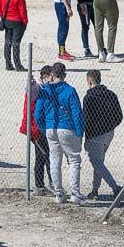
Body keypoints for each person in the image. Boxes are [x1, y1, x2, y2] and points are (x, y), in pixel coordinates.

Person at [35, 63, 84, 206]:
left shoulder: (45, 91)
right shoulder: (69, 90)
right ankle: (75, 193)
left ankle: (58, 193)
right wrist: (79, 132)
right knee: (74, 160)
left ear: (52, 74)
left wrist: (45, 129)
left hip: (51, 128)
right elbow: (76, 113)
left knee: (55, 160)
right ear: (65, 75)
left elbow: (38, 114)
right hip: (67, 127)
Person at [81, 69, 122, 201]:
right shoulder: (111, 94)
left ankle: (115, 188)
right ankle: (95, 190)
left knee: (97, 162)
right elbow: (119, 116)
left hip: (95, 135)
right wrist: (110, 126)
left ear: (90, 81)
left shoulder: (89, 98)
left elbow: (86, 119)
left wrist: (87, 134)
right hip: (109, 133)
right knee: (99, 162)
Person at [19, 66, 54, 196]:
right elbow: (29, 91)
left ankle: (40, 186)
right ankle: (46, 186)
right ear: (44, 76)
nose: (50, 80)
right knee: (45, 156)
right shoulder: (37, 88)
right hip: (35, 129)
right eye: (49, 77)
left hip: (38, 128)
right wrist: (29, 83)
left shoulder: (43, 88)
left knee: (42, 157)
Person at [0, 0, 29, 72]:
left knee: (7, 43)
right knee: (16, 44)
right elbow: (23, 11)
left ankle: (8, 64)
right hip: (17, 22)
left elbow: (0, 9)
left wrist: (4, 18)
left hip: (7, 21)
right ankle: (18, 65)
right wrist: (25, 22)